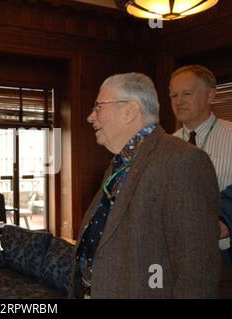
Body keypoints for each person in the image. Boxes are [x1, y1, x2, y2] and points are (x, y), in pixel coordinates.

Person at [69, 72, 221, 299]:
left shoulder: (184, 161)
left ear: (130, 111)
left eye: (99, 107)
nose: (91, 117)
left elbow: (196, 271)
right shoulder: (119, 163)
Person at [169, 65, 232, 297]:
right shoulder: (164, 147)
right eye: (173, 95)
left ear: (211, 94)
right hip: (176, 262)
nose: (178, 101)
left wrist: (224, 222)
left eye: (187, 93)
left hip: (224, 259)